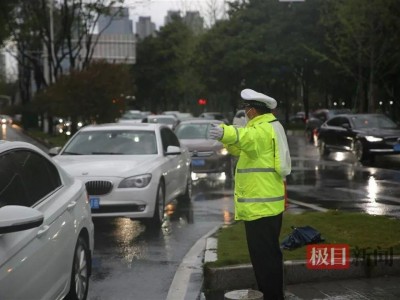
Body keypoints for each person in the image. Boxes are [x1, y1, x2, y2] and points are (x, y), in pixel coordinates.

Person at [208, 88, 291, 300]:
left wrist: (226, 132)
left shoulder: (262, 129)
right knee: (268, 256)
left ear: (253, 111)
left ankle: (272, 296)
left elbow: (248, 138)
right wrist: (227, 140)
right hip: (265, 206)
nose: (245, 112)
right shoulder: (268, 126)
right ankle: (271, 293)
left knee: (264, 258)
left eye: (246, 108)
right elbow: (241, 147)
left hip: (261, 208)